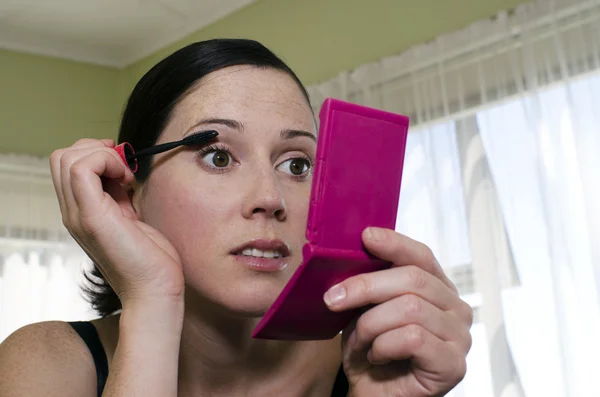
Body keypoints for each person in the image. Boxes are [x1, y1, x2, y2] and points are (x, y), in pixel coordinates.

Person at [0, 39, 473, 397]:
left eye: (297, 165)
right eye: (219, 157)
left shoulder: (377, 364)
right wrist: (151, 300)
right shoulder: (48, 366)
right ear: (129, 187)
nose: (270, 198)